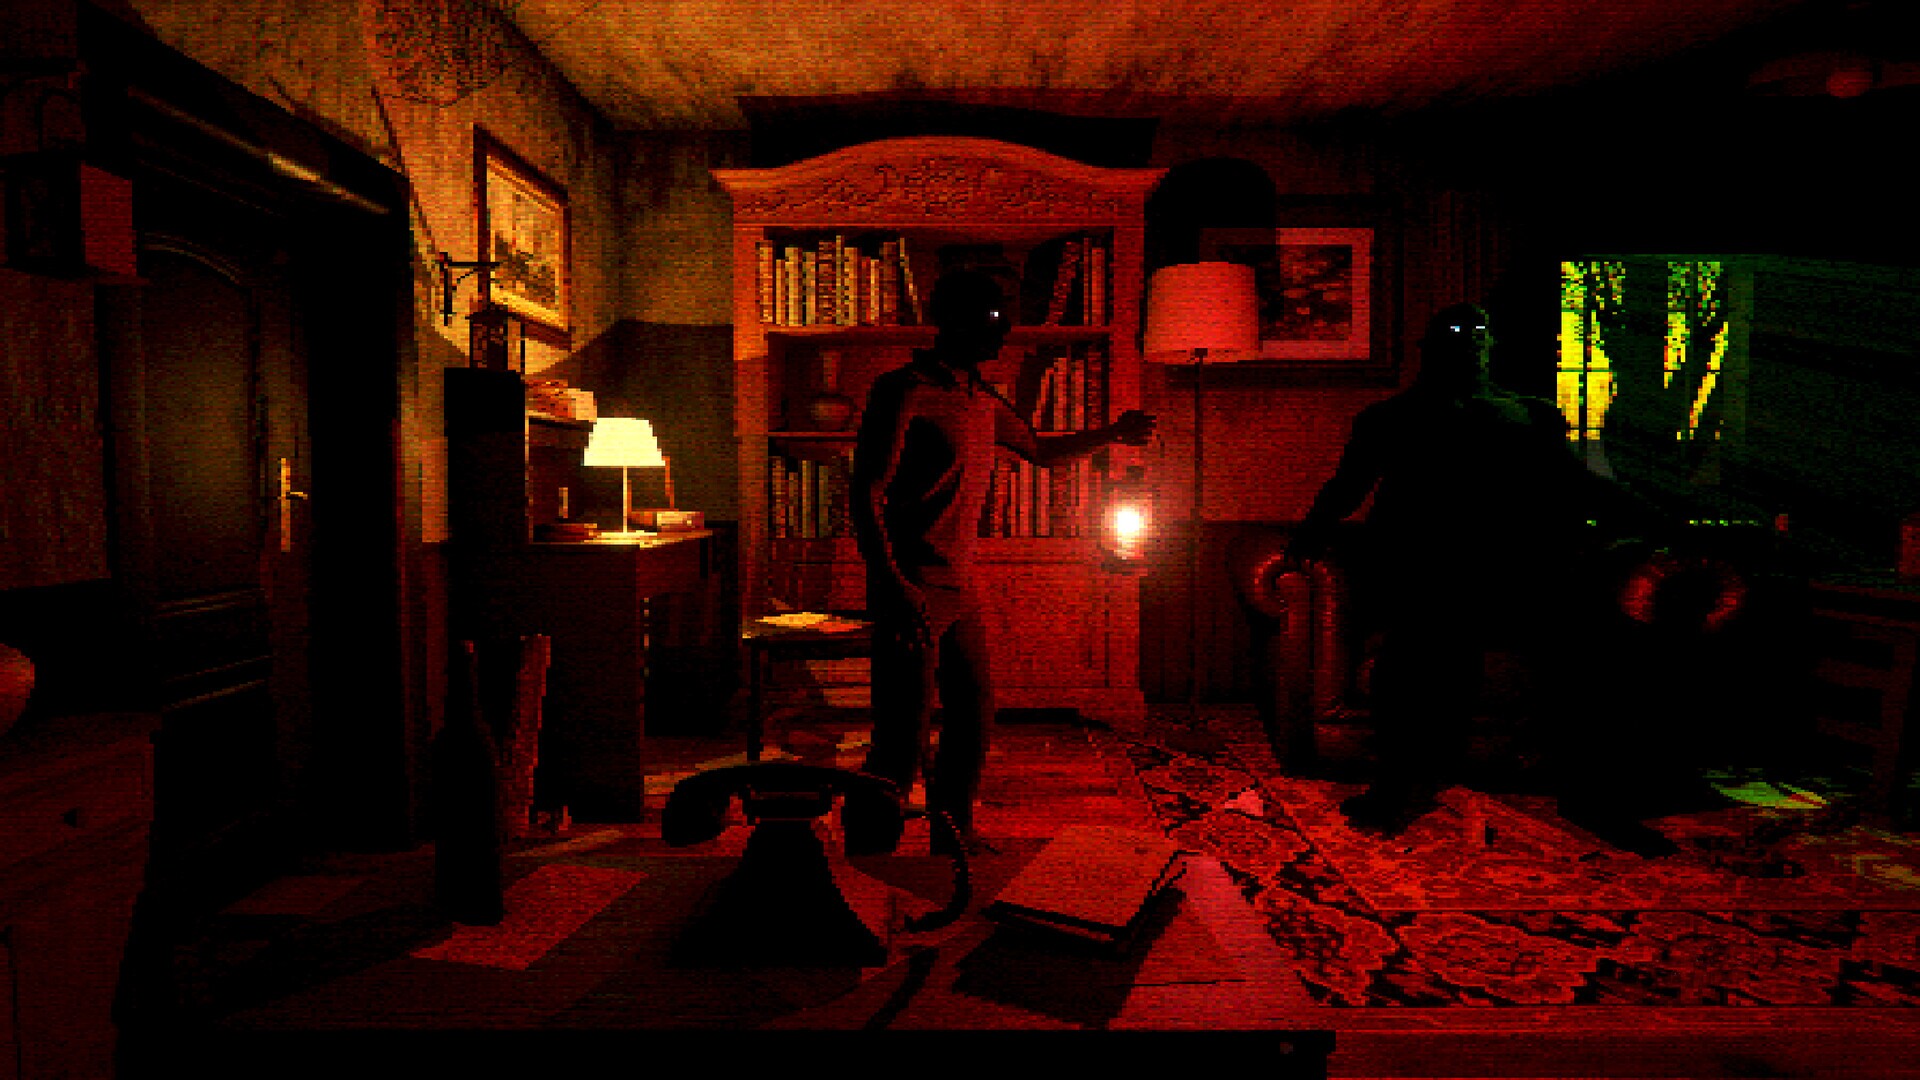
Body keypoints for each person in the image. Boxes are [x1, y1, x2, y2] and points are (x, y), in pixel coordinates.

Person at [1288, 302, 1658, 838]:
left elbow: (1579, 484)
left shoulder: (1531, 415)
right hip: (1426, 575)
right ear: (1431, 349)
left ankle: (1594, 794)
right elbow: (1346, 487)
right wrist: (1306, 536)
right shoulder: (1390, 418)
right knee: (1415, 654)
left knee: (1590, 647)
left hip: (1518, 573)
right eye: (1458, 334)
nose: (1470, 343)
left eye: (1479, 334)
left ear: (1491, 346)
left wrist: (1657, 523)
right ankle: (1396, 787)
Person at [847, 267, 1155, 855]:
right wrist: (892, 582)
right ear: (952, 321)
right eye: (990, 318)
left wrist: (1111, 434)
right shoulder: (904, 390)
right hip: (910, 583)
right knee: (902, 733)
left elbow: (1039, 450)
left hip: (960, 585)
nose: (1002, 330)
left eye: (1004, 319)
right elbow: (866, 492)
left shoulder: (980, 396)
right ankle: (867, 853)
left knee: (973, 714)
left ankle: (953, 834)